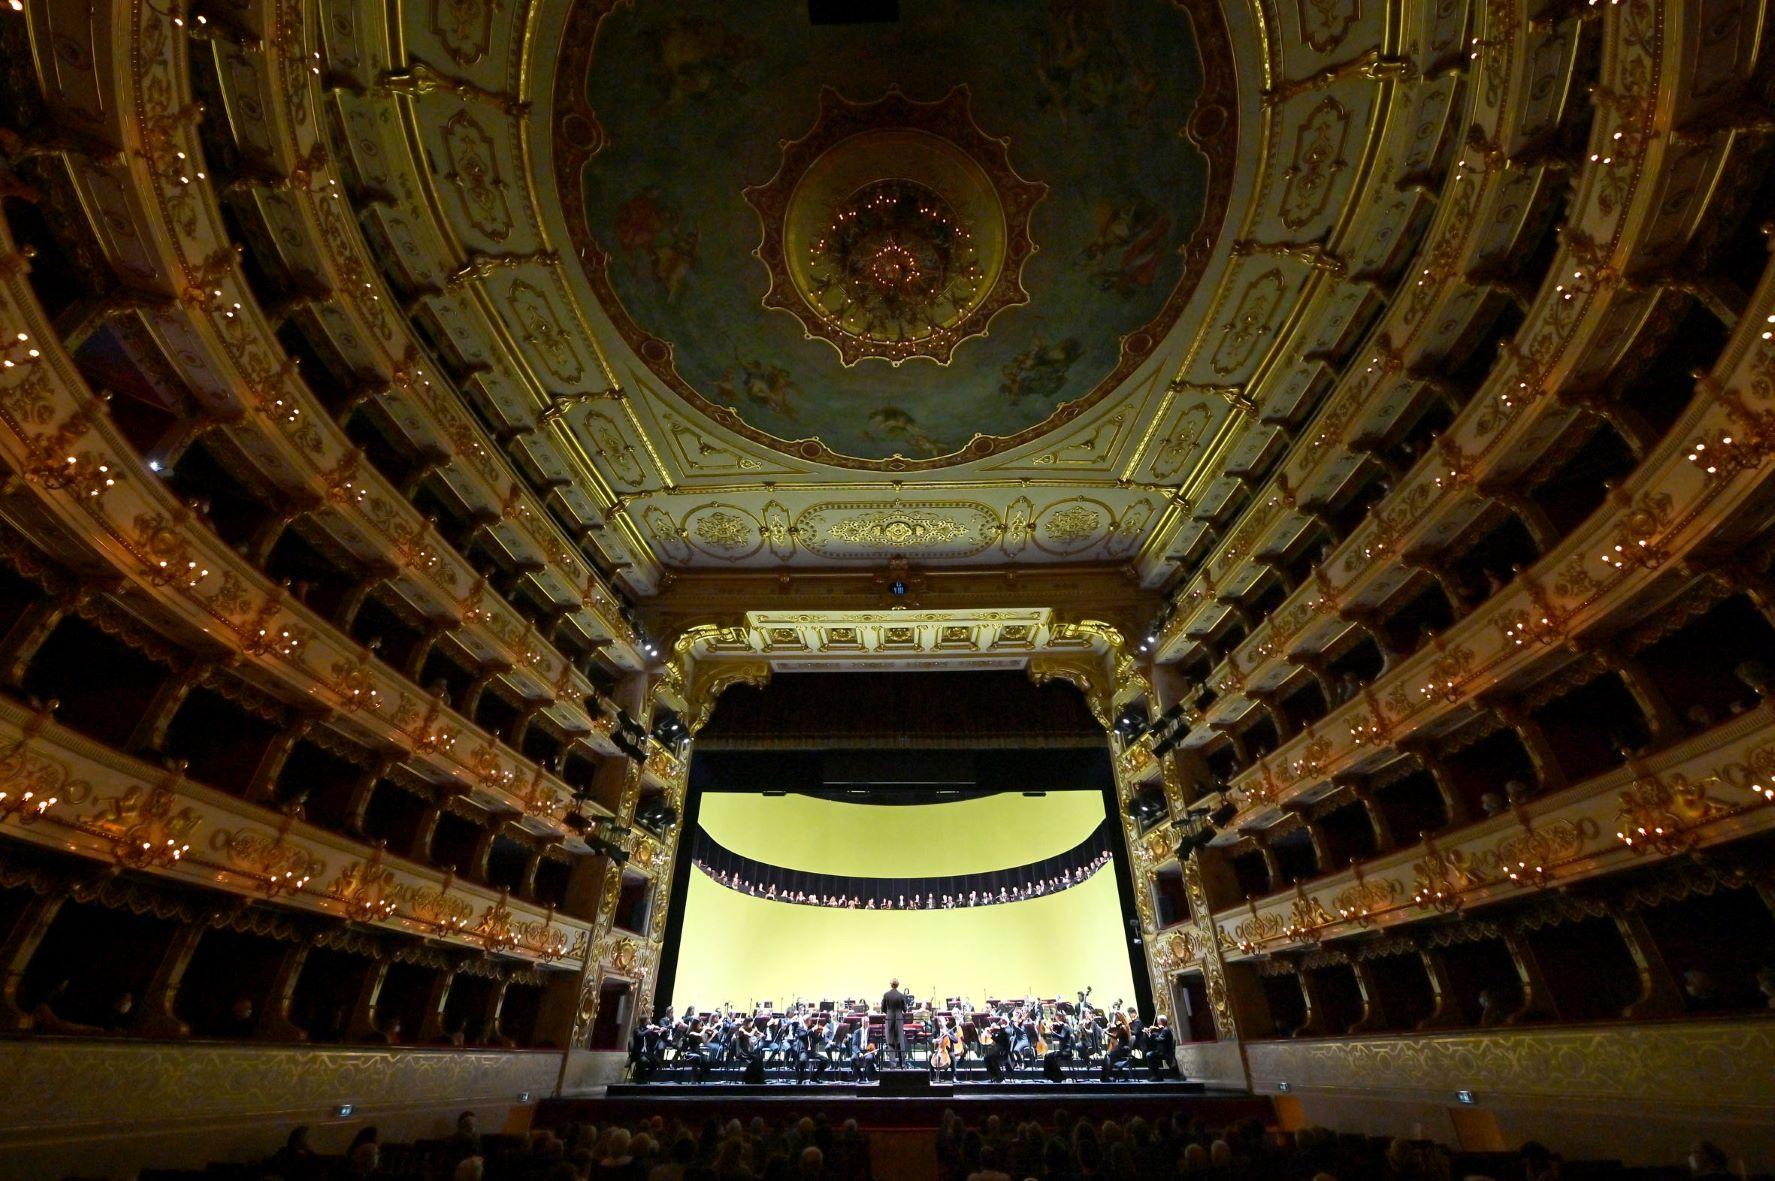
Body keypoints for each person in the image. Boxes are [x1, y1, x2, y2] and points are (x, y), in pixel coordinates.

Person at [881, 978, 909, 1067]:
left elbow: (882, 1009)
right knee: (900, 1040)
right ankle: (902, 1064)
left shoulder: (886, 995)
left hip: (889, 1019)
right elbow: (905, 1010)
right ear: (898, 985)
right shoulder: (901, 996)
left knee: (890, 1041)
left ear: (890, 984)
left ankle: (893, 1064)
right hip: (899, 1019)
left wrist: (889, 1013)